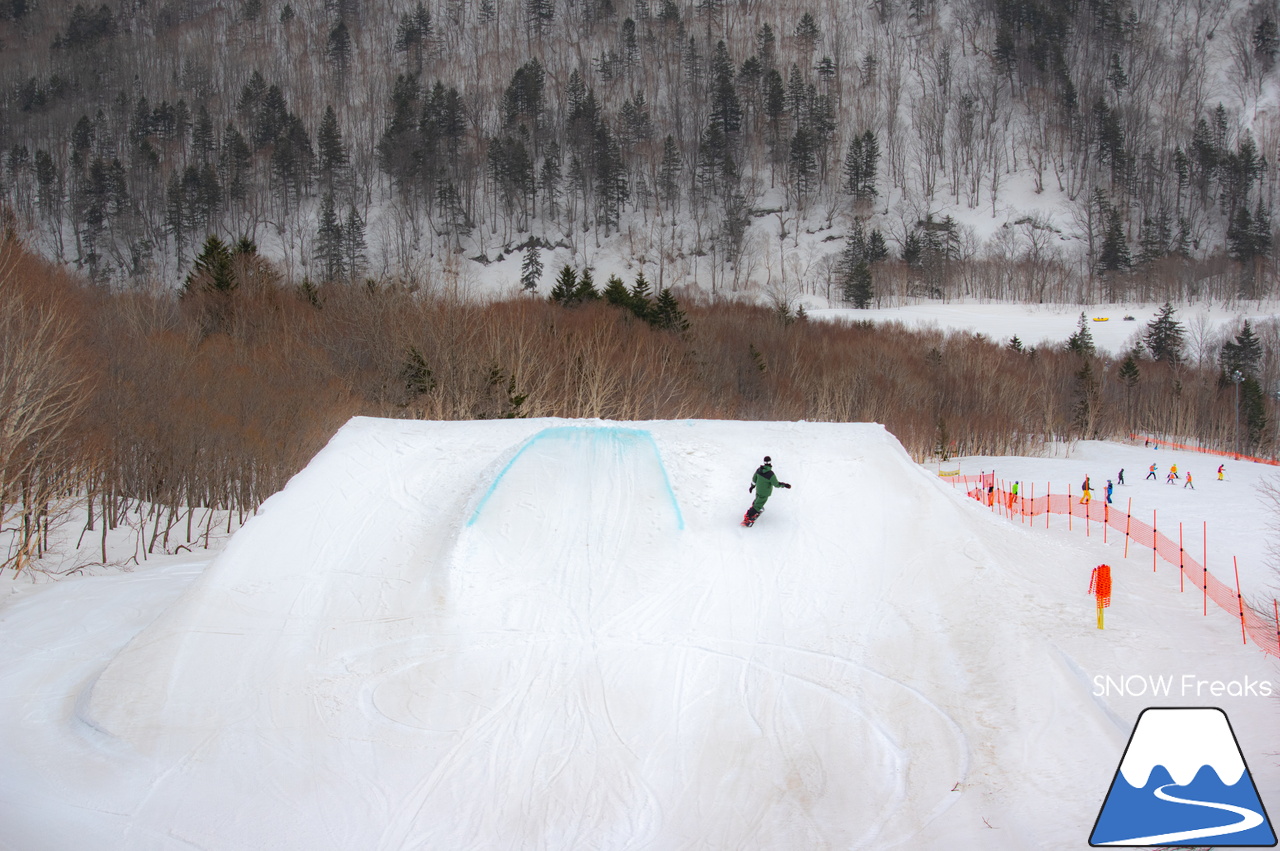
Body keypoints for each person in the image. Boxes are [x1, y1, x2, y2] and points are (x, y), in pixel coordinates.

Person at [744, 456, 791, 524]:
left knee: (757, 499)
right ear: (770, 462)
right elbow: (776, 484)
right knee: (759, 503)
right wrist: (785, 485)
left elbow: (754, 479)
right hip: (765, 492)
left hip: (758, 489)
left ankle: (753, 508)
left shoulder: (759, 470)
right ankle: (749, 516)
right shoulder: (770, 474)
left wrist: (752, 486)